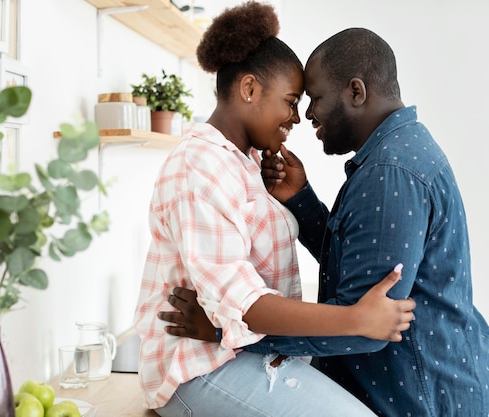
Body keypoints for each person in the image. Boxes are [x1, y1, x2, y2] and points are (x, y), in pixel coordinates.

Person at [161, 27, 489, 417]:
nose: (305, 115)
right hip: (434, 381)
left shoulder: (390, 171)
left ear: (356, 92)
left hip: (424, 393)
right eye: (295, 101)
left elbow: (363, 324)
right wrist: (302, 202)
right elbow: (358, 269)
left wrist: (226, 332)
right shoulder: (397, 153)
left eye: (313, 99)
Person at [133, 3, 415, 417]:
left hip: (238, 354)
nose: (298, 117)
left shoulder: (241, 162)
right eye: (290, 101)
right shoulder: (199, 165)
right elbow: (246, 304)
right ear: (249, 90)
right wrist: (355, 319)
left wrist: (294, 196)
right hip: (196, 369)